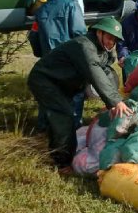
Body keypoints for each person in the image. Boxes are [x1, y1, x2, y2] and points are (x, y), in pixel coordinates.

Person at [27, 17, 131, 171]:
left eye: (115, 40)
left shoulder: (103, 50)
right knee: (64, 116)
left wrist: (112, 103)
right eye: (109, 37)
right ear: (99, 33)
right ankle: (62, 163)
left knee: (62, 115)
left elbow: (107, 72)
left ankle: (54, 146)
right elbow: (95, 72)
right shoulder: (84, 46)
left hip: (63, 83)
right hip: (45, 80)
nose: (111, 43)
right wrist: (115, 101)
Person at [30, 0, 87, 130]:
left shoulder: (41, 11)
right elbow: (79, 32)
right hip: (69, 59)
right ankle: (74, 126)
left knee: (49, 93)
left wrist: (40, 53)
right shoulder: (71, 6)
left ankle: (44, 127)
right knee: (75, 92)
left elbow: (34, 36)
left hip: (48, 60)